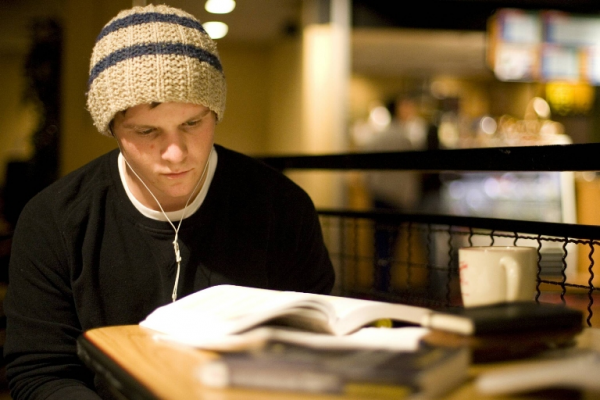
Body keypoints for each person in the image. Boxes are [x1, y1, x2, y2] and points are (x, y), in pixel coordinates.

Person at [3, 4, 335, 400]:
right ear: (112, 128)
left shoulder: (281, 208)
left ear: (215, 112)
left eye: (192, 123)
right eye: (147, 131)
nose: (175, 154)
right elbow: (40, 373)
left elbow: (314, 351)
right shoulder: (53, 221)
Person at [361, 96, 427, 291]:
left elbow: (366, 173)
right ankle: (387, 287)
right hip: (397, 201)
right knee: (393, 247)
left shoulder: (377, 138)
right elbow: (411, 175)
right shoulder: (404, 140)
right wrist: (410, 200)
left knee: (380, 246)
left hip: (379, 198)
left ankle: (380, 286)